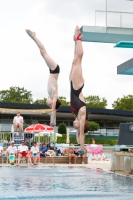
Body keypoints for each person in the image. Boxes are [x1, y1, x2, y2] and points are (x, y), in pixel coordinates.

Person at [26, 30, 61, 126]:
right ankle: (34, 36)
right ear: (53, 103)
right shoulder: (55, 95)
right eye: (49, 104)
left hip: (52, 70)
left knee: (42, 52)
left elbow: (53, 109)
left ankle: (34, 37)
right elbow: (53, 110)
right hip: (55, 69)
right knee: (44, 52)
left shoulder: (51, 95)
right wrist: (52, 122)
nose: (48, 104)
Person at [69, 26, 90, 152]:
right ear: (82, 125)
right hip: (77, 86)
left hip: (72, 85)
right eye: (76, 127)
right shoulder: (81, 115)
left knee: (74, 61)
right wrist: (82, 148)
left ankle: (75, 40)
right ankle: (79, 39)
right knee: (78, 60)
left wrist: (78, 145)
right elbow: (81, 134)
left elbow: (78, 135)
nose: (73, 125)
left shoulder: (76, 114)